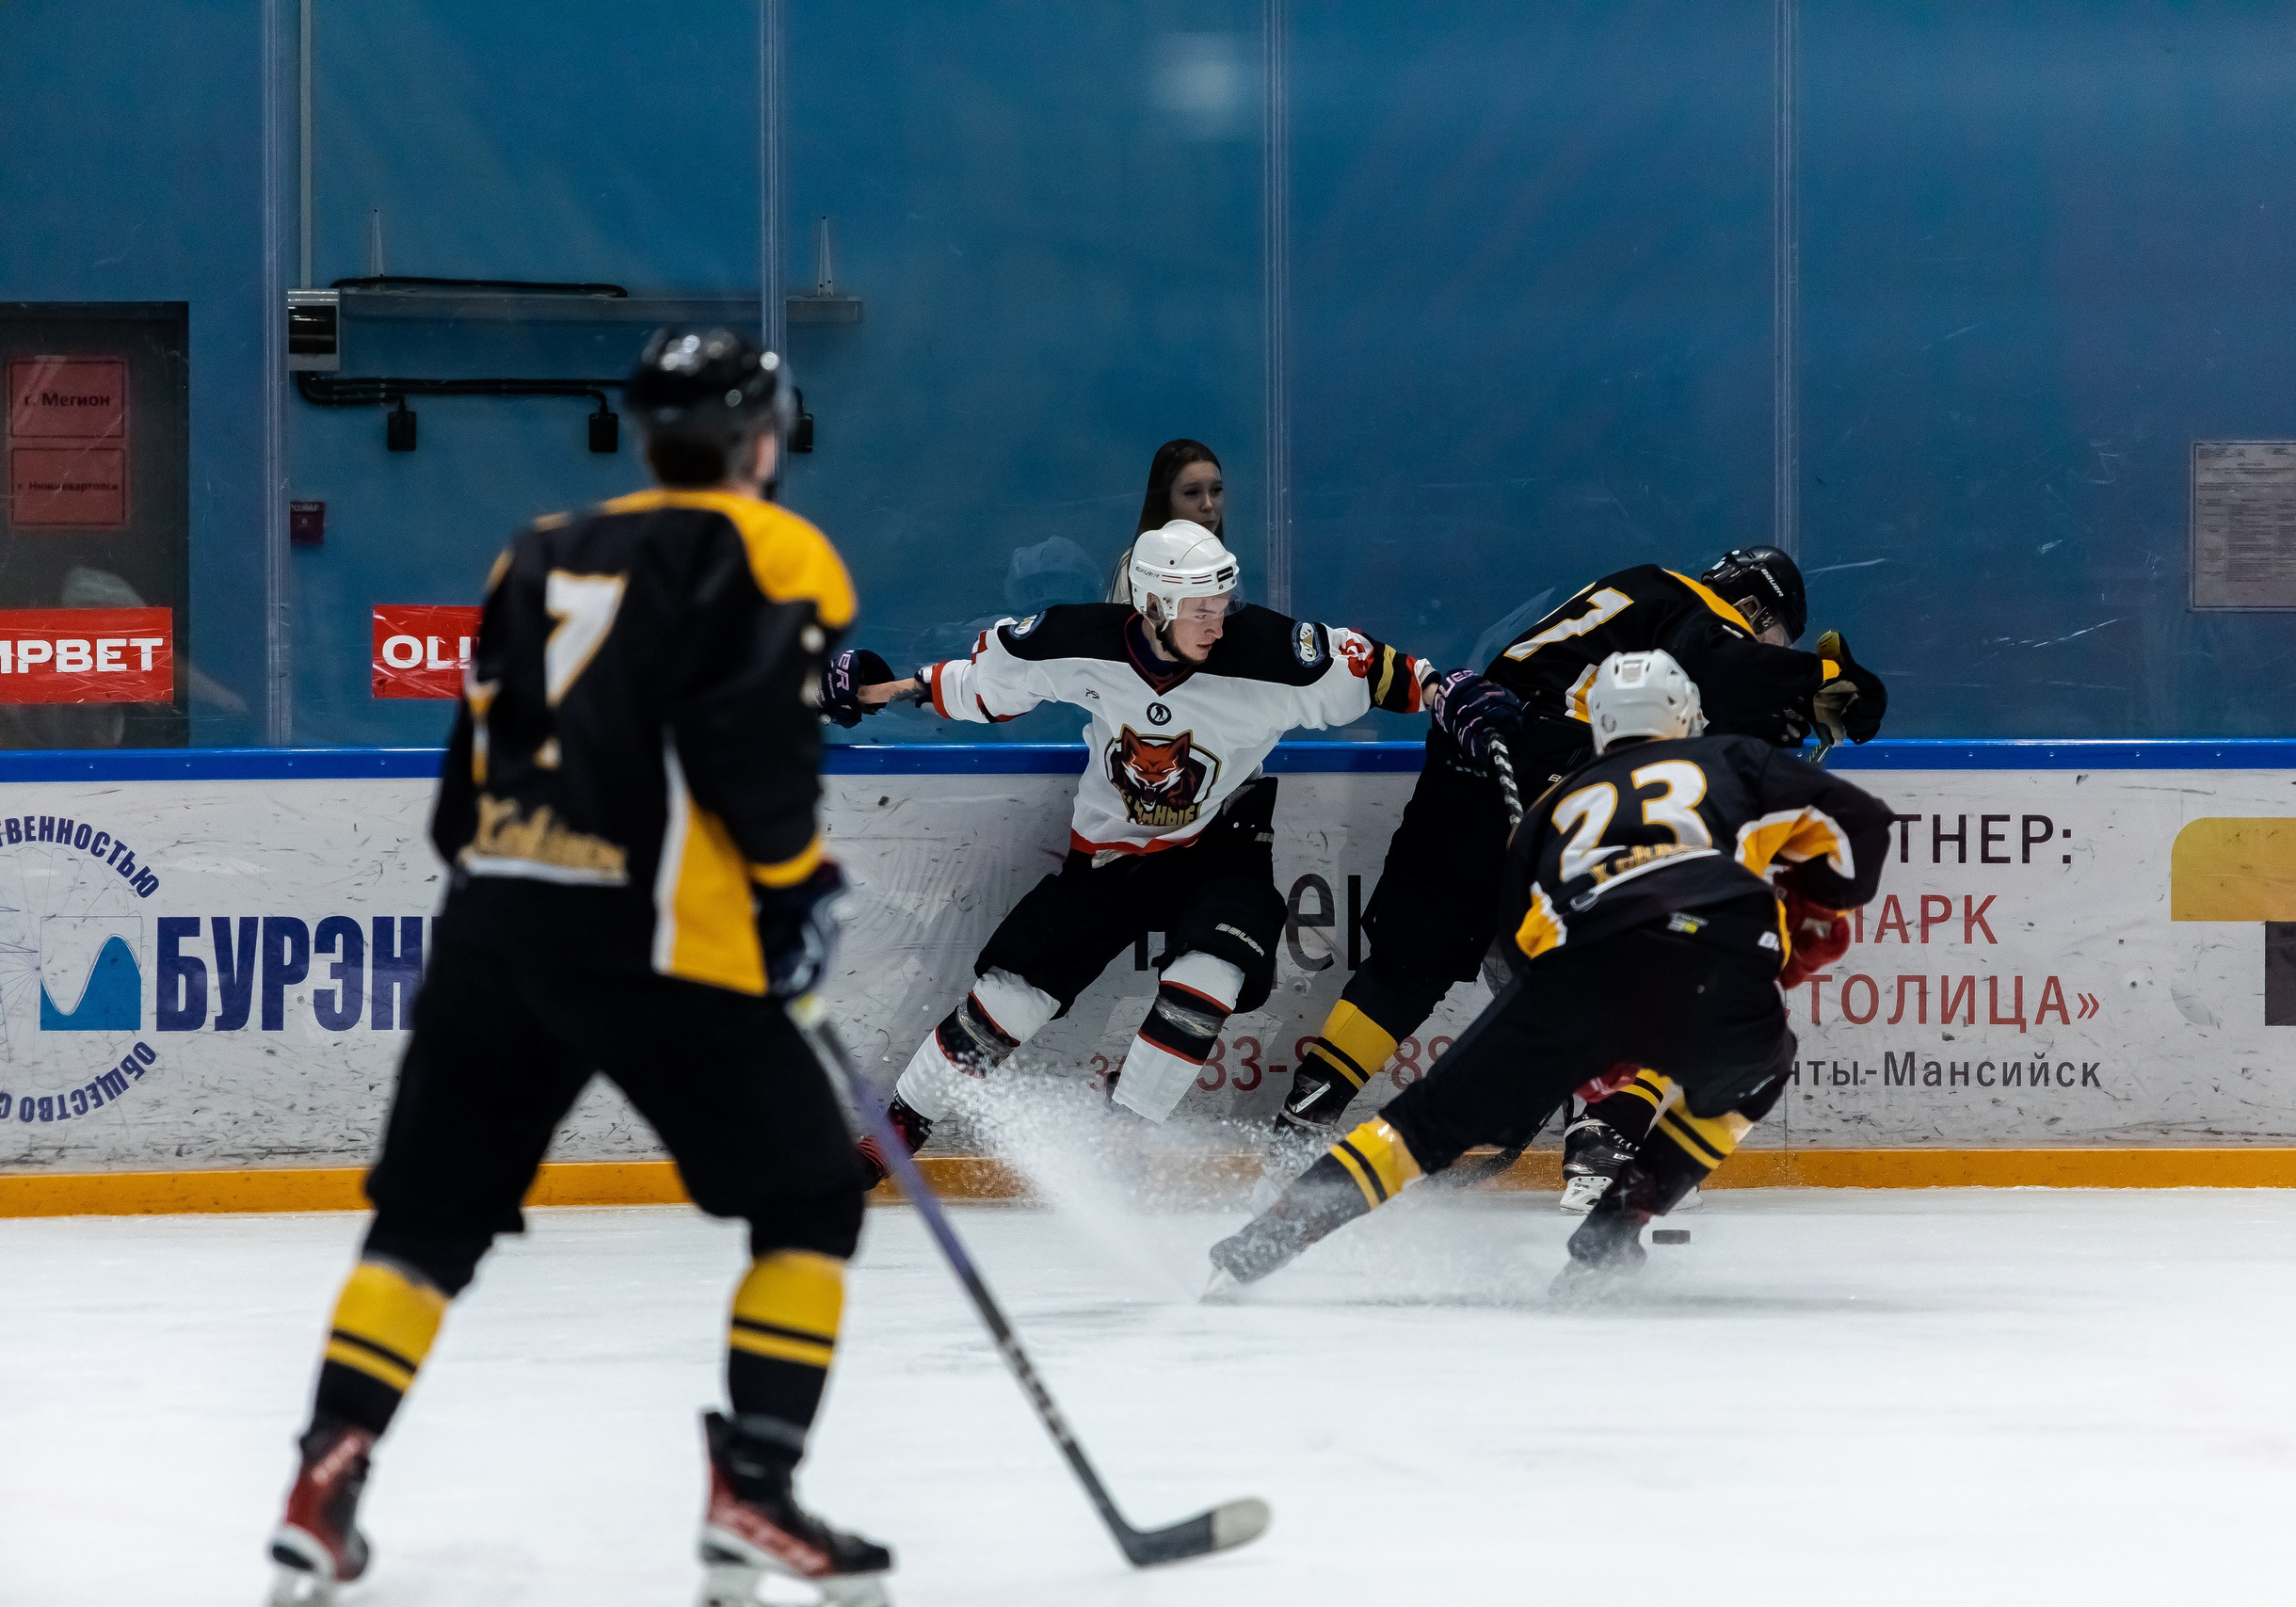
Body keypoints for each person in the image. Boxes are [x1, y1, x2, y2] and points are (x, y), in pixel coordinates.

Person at [265, 329, 892, 1607]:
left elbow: (468, 776)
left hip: (494, 928)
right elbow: (750, 743)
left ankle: (323, 1480)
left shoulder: (539, 544)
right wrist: (798, 889)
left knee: (428, 1220)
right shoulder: (776, 547)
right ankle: (755, 1492)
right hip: (659, 943)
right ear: (759, 439)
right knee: (815, 1200)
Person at [823, 519, 1520, 1177]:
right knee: (1007, 1000)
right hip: (1107, 859)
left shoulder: (1274, 655)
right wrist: (880, 690)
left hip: (1224, 850)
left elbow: (1380, 671)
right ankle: (897, 1132)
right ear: (1153, 605)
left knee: (1209, 979)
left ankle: (1123, 1138)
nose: (1218, 622)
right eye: (1199, 609)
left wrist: (1442, 687)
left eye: (1222, 602)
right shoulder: (1077, 640)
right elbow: (982, 687)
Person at [1209, 650, 1888, 1296]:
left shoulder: (1552, 810)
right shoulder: (1734, 755)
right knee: (1758, 1072)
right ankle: (1615, 1229)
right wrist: (1822, 911)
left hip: (1576, 971)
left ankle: (1260, 1244)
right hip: (1720, 956)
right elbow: (1859, 819)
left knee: (1418, 1127)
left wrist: (1581, 1036)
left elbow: (1524, 939)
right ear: (1686, 714)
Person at [1276, 546, 1887, 1204]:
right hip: (1556, 772)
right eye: (1773, 636)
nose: (1766, 645)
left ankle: (1299, 1121)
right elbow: (1722, 669)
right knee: (1642, 962)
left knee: (1406, 964)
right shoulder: (1698, 608)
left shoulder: (1637, 598)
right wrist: (1825, 675)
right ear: (1752, 606)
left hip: (1472, 749)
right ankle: (1601, 1143)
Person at [1107, 439, 1225, 602]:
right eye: (1192, 493)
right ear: (1163, 501)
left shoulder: (1225, 562)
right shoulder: (1136, 566)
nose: (1208, 505)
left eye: (1216, 490)